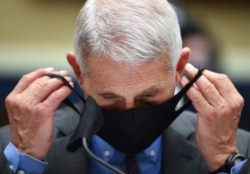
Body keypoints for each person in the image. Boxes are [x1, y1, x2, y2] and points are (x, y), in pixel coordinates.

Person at [0, 0, 250, 173]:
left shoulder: (242, 149)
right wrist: (25, 162)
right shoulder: (11, 150)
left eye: (148, 97)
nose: (131, 114)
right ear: (79, 73)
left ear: (179, 68)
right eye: (110, 98)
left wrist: (223, 163)